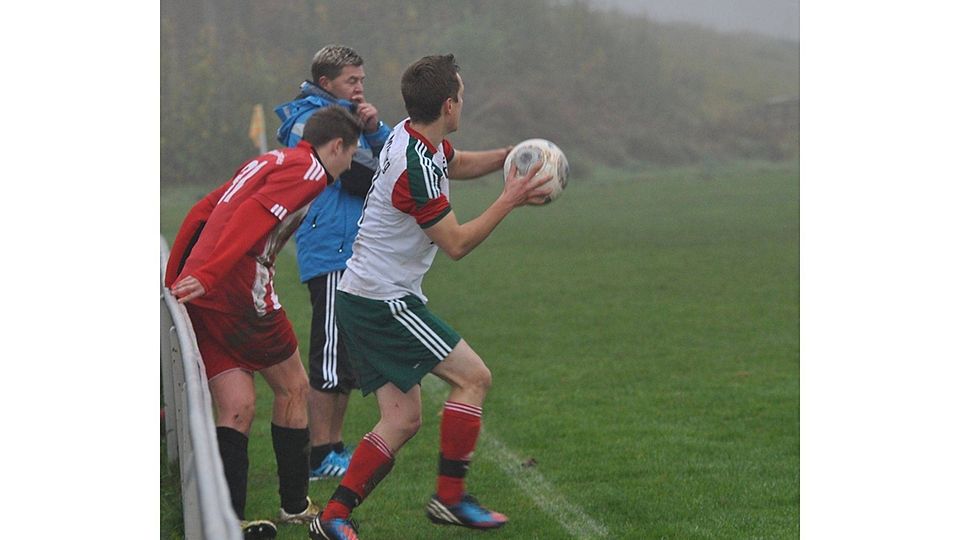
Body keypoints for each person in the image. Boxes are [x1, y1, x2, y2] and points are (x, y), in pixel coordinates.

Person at [308, 54, 552, 540]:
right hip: (384, 300)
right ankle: (451, 498)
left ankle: (332, 518)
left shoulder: (414, 135)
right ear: (447, 104)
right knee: (474, 378)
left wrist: (510, 157)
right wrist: (510, 198)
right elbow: (456, 243)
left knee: (401, 420)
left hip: (367, 295)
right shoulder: (414, 167)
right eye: (461, 95)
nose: (464, 102)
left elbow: (455, 162)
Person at [164, 106, 364, 539]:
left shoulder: (270, 159)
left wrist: (177, 278)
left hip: (205, 297)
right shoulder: (310, 173)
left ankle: (229, 517)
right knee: (293, 388)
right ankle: (295, 505)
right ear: (335, 147)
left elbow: (205, 208)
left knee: (237, 405)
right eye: (352, 153)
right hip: (239, 292)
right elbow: (251, 218)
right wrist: (212, 272)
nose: (351, 164)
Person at [274, 45, 391, 481]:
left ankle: (333, 447)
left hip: (358, 250)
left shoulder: (354, 118)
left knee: (345, 359)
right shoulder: (304, 121)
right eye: (351, 81)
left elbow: (394, 160)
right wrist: (378, 162)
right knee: (328, 356)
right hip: (329, 250)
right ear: (326, 83)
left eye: (362, 80)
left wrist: (376, 129)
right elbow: (365, 175)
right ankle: (318, 454)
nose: (360, 88)